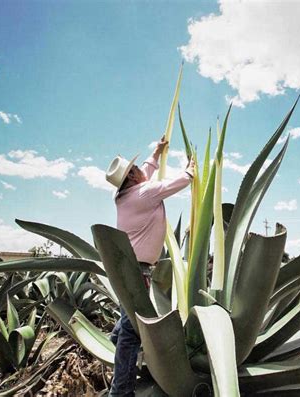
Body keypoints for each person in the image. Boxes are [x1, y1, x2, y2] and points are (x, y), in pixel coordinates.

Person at [105, 135, 194, 396]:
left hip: (126, 269)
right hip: (137, 272)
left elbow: (146, 173)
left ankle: (114, 339)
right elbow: (180, 181)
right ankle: (120, 392)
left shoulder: (123, 195)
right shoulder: (144, 194)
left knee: (126, 324)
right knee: (132, 332)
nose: (140, 171)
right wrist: (191, 167)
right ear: (131, 177)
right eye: (135, 170)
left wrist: (156, 153)